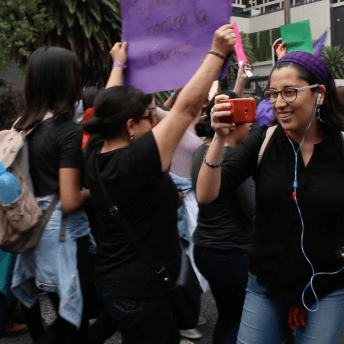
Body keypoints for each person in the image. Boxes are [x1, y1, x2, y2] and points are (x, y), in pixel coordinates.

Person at [82, 24, 236, 344]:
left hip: (114, 284)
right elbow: (187, 109)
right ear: (130, 126)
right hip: (143, 294)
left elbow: (107, 106)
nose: (154, 121)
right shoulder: (135, 162)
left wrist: (118, 64)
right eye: (147, 116)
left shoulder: (96, 151)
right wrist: (217, 52)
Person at [196, 50, 344, 344]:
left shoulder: (341, 146)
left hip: (326, 286)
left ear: (319, 94)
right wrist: (219, 138)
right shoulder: (262, 140)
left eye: (290, 92)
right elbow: (206, 194)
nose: (278, 103)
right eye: (273, 93)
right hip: (264, 283)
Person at [10, 46, 95, 344]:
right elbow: (70, 199)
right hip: (62, 236)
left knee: (37, 306)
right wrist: (95, 191)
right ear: (65, 81)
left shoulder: (21, 127)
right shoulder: (66, 131)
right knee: (73, 321)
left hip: (28, 230)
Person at [192, 90, 255, 344]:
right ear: (233, 124)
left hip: (205, 247)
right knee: (239, 318)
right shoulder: (233, 159)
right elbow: (253, 212)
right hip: (231, 252)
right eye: (248, 123)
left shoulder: (202, 151)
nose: (251, 128)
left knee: (227, 316)